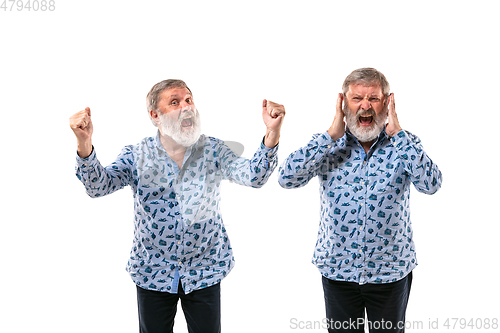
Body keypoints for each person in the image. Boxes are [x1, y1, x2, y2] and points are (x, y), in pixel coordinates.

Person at [69, 79, 285, 333]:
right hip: (152, 272)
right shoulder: (136, 155)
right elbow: (98, 186)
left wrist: (272, 134)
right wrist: (84, 143)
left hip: (205, 269)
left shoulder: (213, 150)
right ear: (155, 115)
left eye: (188, 100)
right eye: (175, 102)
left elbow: (254, 176)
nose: (186, 107)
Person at [278, 68, 442, 332]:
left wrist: (398, 132)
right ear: (344, 104)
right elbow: (286, 178)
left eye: (374, 99)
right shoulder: (327, 145)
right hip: (338, 272)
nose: (365, 106)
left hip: (390, 273)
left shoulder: (404, 144)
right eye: (357, 99)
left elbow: (432, 184)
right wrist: (330, 134)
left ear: (387, 103)